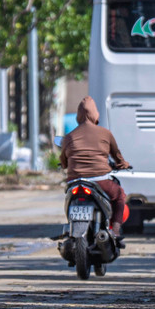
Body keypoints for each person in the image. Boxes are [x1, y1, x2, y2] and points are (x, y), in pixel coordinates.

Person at [58, 96, 131, 233]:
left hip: (74, 180)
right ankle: (115, 229)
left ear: (78, 116)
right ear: (95, 114)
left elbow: (63, 160)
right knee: (120, 195)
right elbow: (117, 156)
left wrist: (64, 165)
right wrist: (123, 164)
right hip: (100, 180)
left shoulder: (69, 137)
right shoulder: (105, 134)